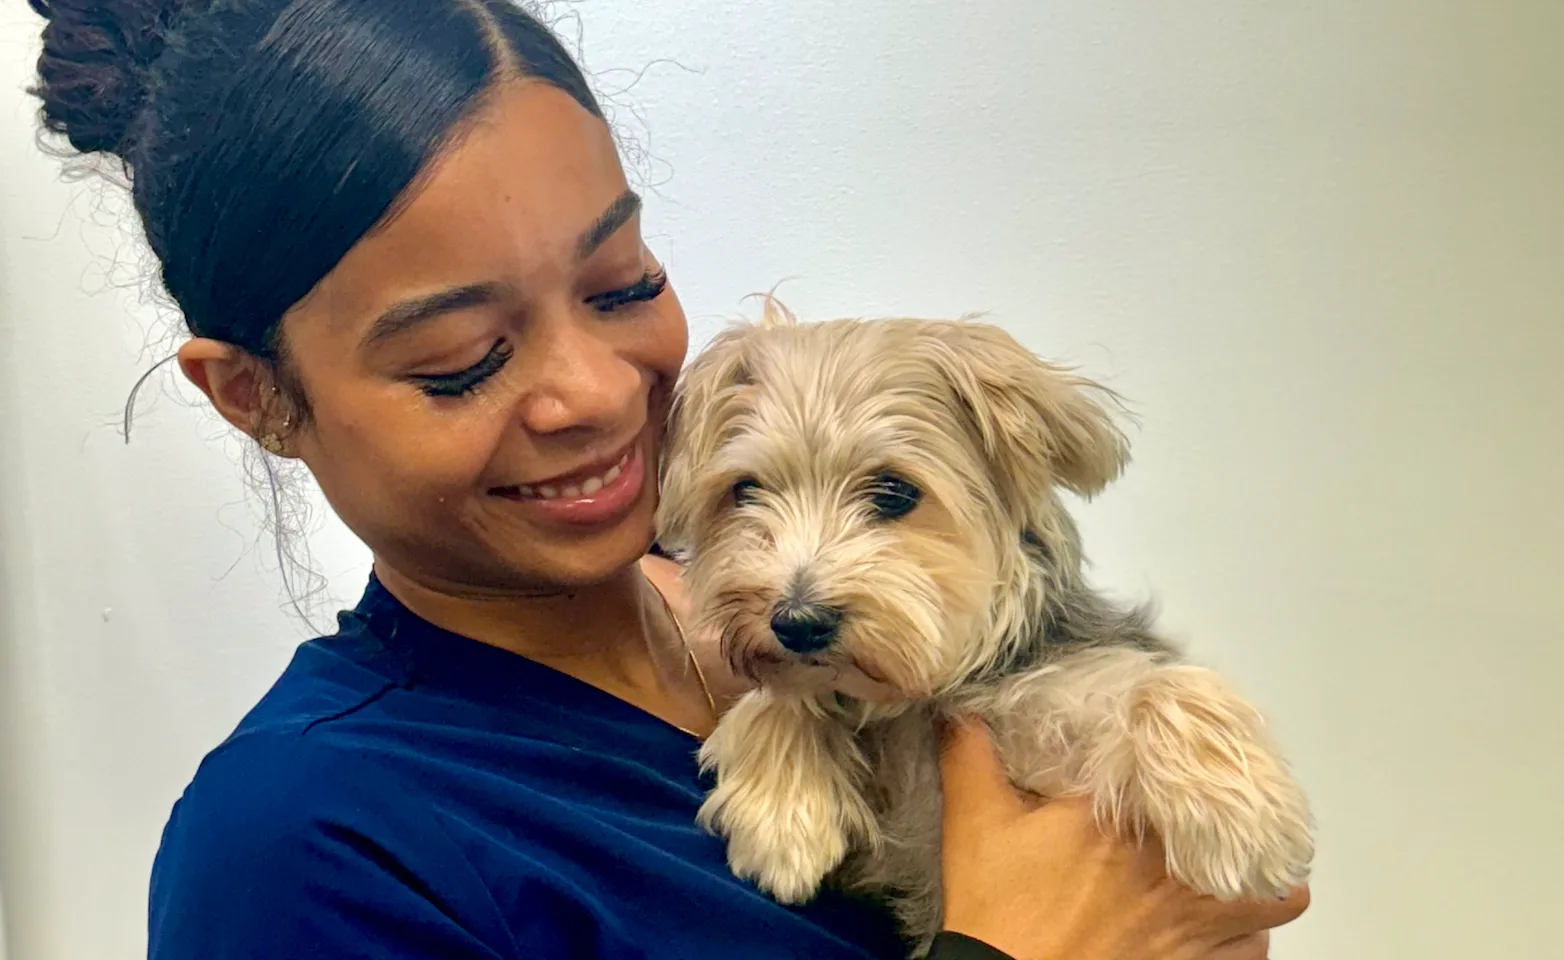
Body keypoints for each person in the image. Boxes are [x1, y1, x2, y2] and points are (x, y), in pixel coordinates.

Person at [26, 1, 1309, 958]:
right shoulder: (303, 855)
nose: (594, 391)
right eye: (463, 360)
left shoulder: (782, 624)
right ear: (254, 395)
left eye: (622, 285)